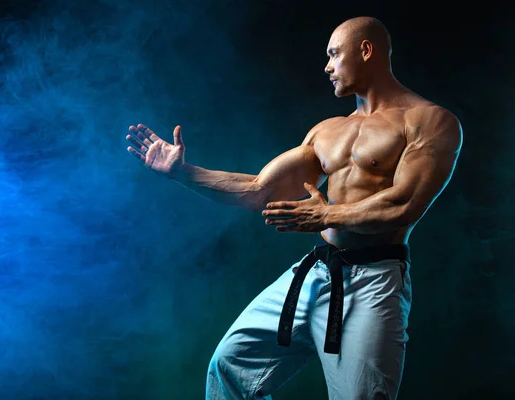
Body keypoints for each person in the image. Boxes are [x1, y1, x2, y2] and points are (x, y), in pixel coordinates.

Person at [125, 16, 462, 400]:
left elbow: (404, 204)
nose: (327, 66)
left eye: (334, 54)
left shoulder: (430, 121)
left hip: (374, 282)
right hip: (317, 273)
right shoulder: (328, 130)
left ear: (365, 51)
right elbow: (258, 190)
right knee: (228, 367)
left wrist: (327, 215)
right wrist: (183, 173)